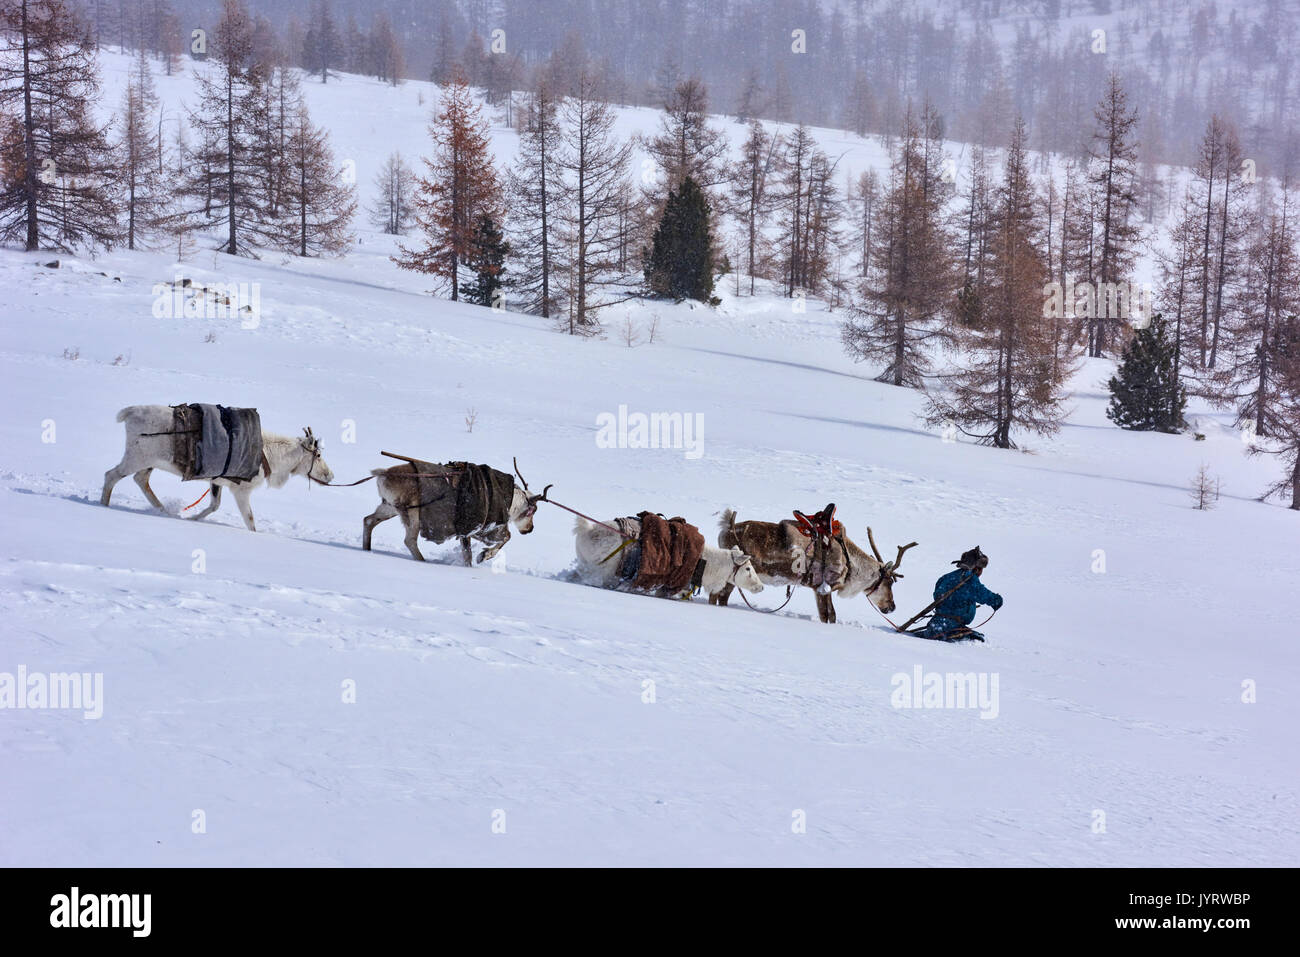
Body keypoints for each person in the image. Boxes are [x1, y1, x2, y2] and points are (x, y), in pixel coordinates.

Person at [919, 546, 1003, 642]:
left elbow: (937, 596)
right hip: (950, 627)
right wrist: (997, 600)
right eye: (981, 569)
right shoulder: (969, 580)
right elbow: (983, 594)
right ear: (976, 567)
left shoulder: (945, 578)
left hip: (936, 624)